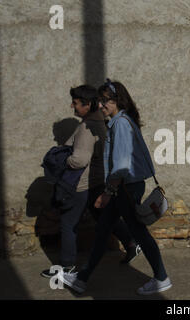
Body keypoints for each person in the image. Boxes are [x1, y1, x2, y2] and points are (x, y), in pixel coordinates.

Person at [62, 79, 172, 295]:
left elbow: (121, 166)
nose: (101, 106)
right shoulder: (121, 122)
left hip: (125, 188)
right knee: (103, 230)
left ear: (117, 101)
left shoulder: (120, 124)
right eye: (99, 101)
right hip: (125, 187)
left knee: (138, 233)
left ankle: (161, 277)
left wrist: (107, 193)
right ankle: (82, 279)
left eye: (105, 102)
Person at [41, 85, 141, 278]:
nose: (72, 106)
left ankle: (67, 266)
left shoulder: (88, 128)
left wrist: (62, 159)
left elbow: (79, 160)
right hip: (96, 182)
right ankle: (131, 243)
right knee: (104, 218)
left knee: (68, 224)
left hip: (81, 184)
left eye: (76, 103)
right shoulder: (101, 123)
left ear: (87, 104)